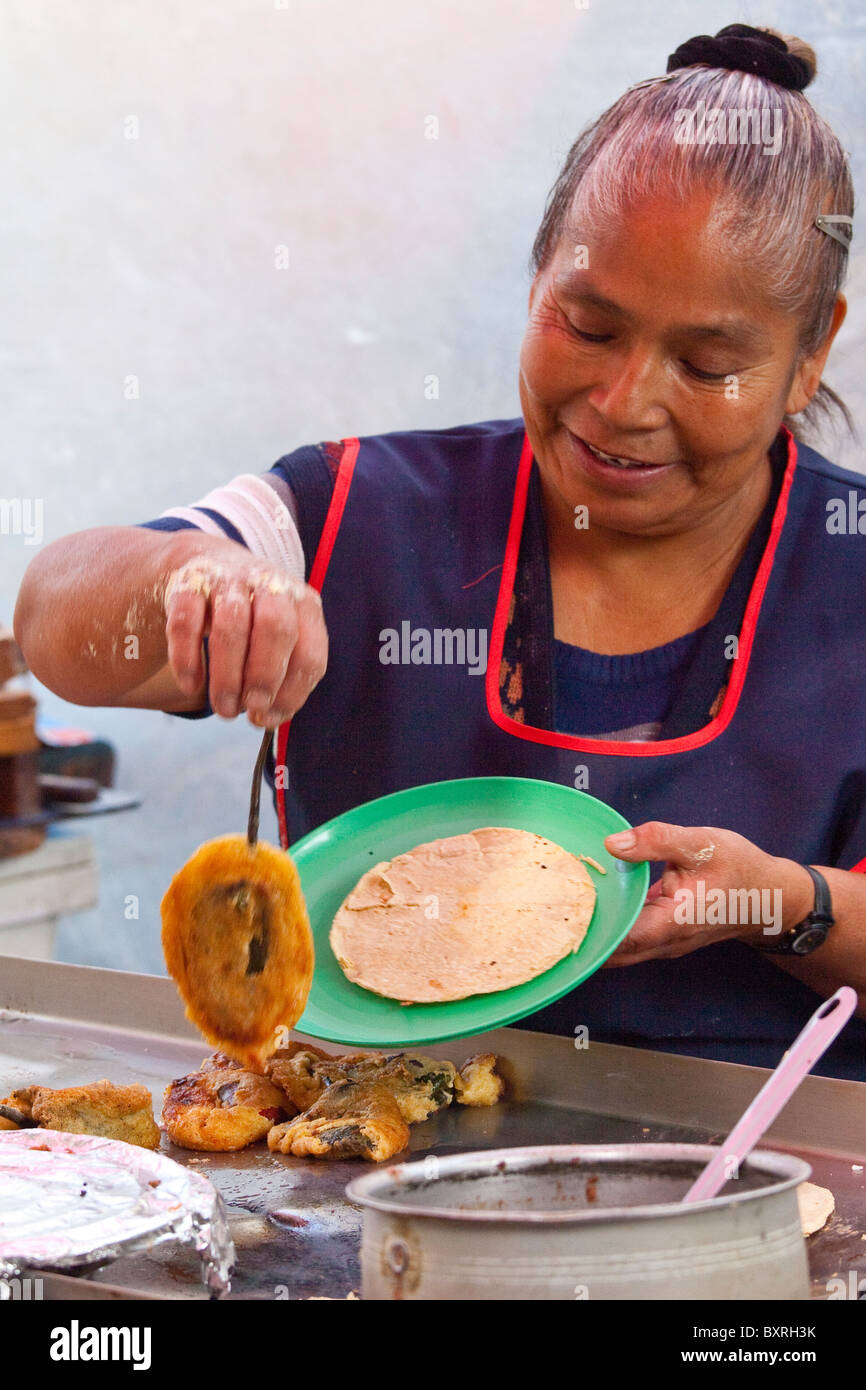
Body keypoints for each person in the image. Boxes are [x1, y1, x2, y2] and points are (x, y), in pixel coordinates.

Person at [15, 24, 866, 1078]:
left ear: (808, 351)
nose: (622, 402)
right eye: (587, 326)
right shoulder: (353, 512)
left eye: (705, 363)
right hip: (363, 1172)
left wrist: (784, 902)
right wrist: (196, 582)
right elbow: (55, 621)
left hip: (766, 1187)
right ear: (534, 278)